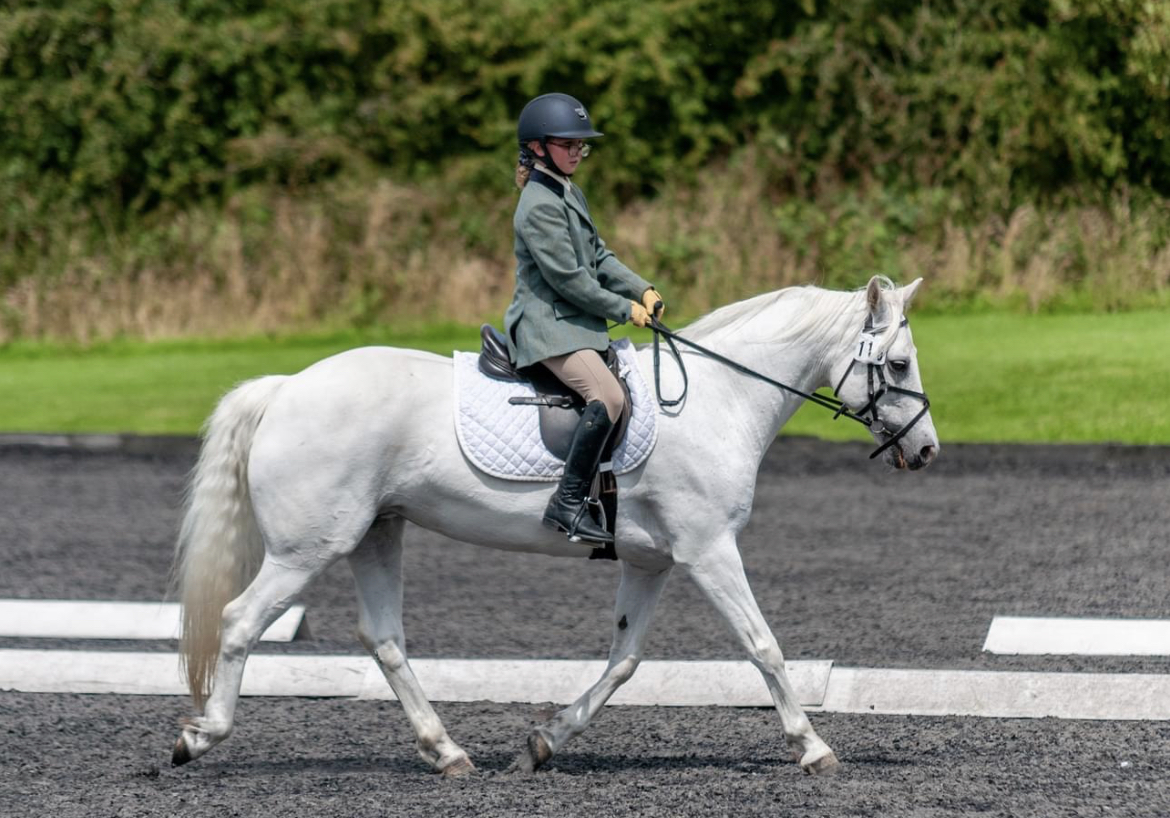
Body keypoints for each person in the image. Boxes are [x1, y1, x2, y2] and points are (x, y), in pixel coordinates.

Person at [503, 92, 664, 546]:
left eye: (581, 145)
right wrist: (624, 310)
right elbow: (570, 281)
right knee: (609, 397)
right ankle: (568, 502)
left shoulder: (568, 191)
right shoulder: (536, 204)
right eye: (568, 143)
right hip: (545, 326)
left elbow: (597, 256)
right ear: (537, 147)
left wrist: (642, 289)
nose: (577, 151)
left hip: (572, 321)